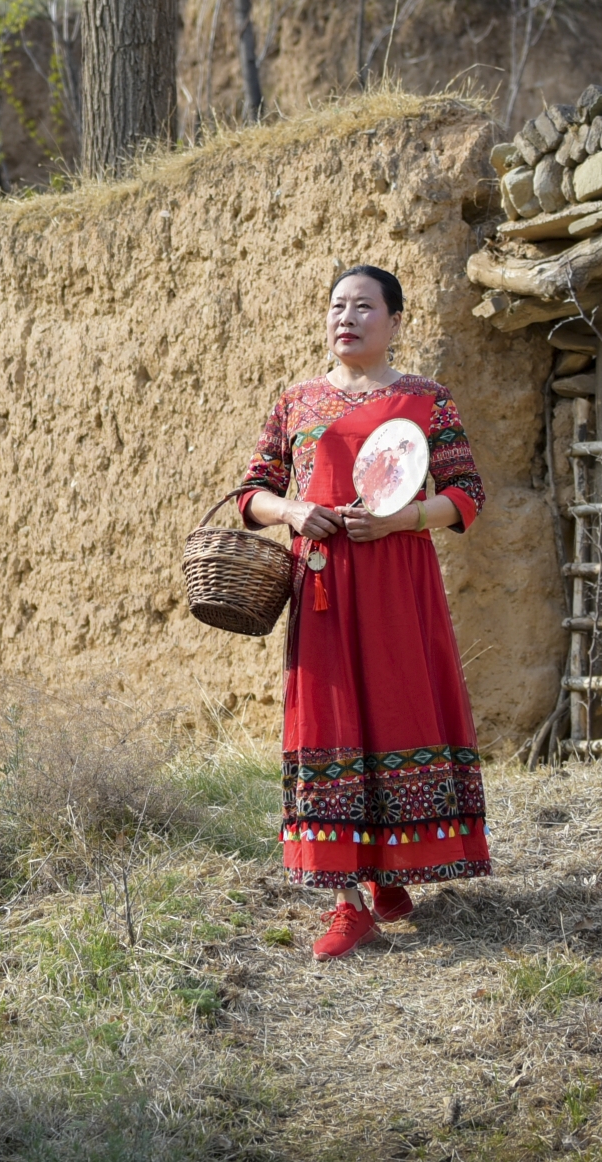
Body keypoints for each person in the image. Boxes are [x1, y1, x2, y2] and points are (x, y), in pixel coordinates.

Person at [231, 262, 492, 960]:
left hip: (399, 583)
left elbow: (467, 493)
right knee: (330, 724)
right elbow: (252, 492)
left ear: (397, 322)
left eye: (364, 307)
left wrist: (405, 519)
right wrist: (295, 509)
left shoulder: (427, 400)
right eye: (337, 306)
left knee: (398, 711)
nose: (346, 318)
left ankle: (392, 871)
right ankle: (348, 903)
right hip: (321, 588)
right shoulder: (296, 402)